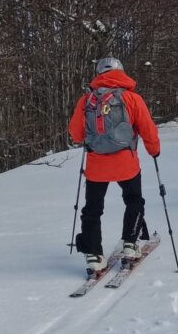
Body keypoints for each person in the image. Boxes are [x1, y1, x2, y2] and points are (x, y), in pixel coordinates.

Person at [68, 57, 160, 272]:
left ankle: (94, 255)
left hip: (96, 165)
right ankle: (130, 244)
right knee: (134, 200)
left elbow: (76, 134)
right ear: (122, 72)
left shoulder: (87, 100)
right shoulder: (132, 98)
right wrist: (154, 150)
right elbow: (148, 129)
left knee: (92, 209)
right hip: (126, 162)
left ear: (98, 74)